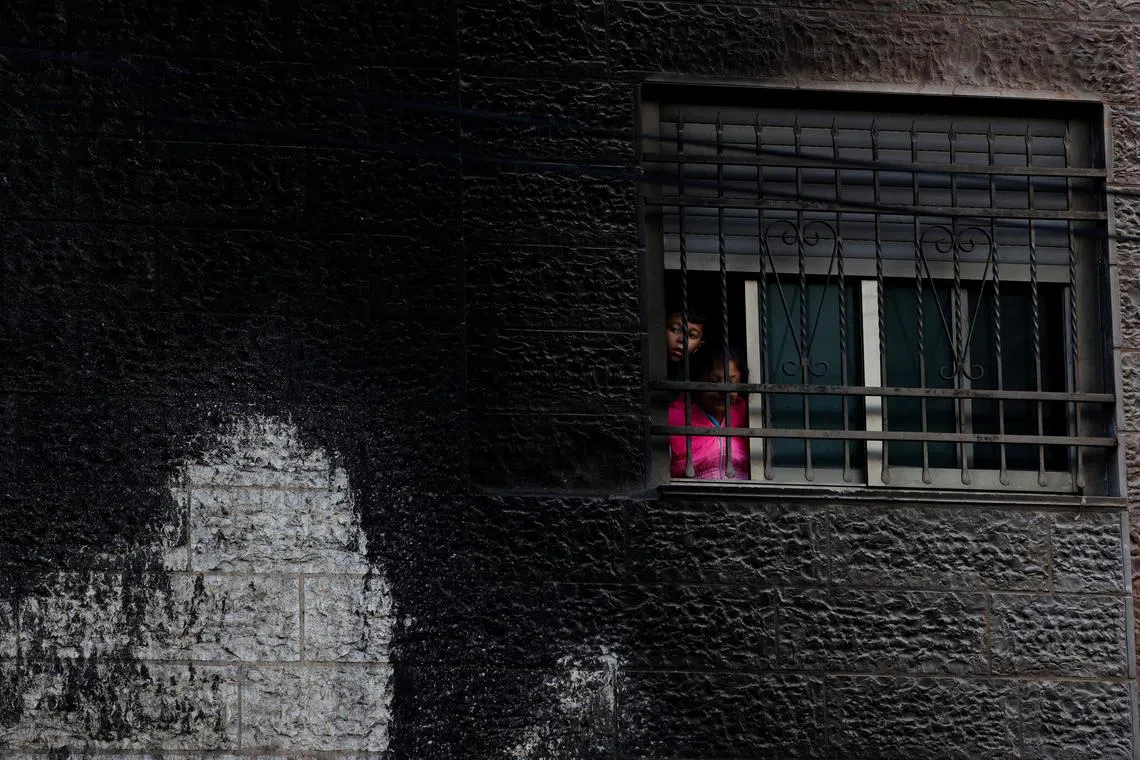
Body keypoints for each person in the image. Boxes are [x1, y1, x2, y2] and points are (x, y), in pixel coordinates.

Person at [668, 348, 750, 480]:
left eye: (732, 382)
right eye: (714, 381)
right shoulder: (676, 416)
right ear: (698, 380)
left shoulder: (748, 413)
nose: (723, 390)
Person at [665, 307, 705, 380]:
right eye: (675, 329)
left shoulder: (689, 379)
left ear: (698, 345)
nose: (681, 340)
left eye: (692, 335)